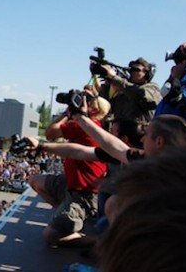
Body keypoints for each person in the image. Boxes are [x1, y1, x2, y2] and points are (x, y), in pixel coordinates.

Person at [28, 89, 109, 247]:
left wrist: (67, 113)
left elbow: (50, 133)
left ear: (95, 109)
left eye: (88, 101)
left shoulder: (85, 126)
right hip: (72, 184)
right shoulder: (92, 126)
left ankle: (97, 242)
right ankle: (62, 212)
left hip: (84, 193)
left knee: (51, 236)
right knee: (35, 180)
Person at [93, 56, 161, 124]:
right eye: (131, 69)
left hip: (140, 132)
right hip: (119, 132)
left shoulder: (152, 88)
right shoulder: (123, 90)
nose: (132, 72)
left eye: (136, 69)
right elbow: (107, 107)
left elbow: (141, 95)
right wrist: (107, 84)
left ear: (147, 74)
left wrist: (115, 78)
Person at [155, 42, 186, 134]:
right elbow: (165, 94)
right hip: (162, 136)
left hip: (179, 141)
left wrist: (175, 78)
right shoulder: (184, 78)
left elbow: (176, 98)